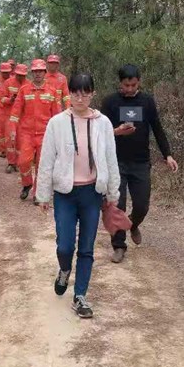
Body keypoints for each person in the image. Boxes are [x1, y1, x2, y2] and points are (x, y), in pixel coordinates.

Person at [36, 73, 120, 318]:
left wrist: (112, 191)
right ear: (69, 94)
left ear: (93, 94)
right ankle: (64, 270)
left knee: (86, 247)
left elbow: (111, 158)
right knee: (65, 245)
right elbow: (46, 160)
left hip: (92, 193)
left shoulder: (103, 123)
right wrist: (43, 194)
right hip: (65, 193)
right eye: (75, 93)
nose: (80, 98)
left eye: (85, 93)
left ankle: (80, 295)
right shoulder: (57, 123)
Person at [101, 64, 179, 263]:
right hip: (116, 162)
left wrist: (168, 155)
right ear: (120, 83)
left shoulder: (147, 102)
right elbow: (99, 132)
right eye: (126, 85)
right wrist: (117, 131)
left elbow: (157, 128)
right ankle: (119, 246)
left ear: (139, 82)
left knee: (142, 205)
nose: (129, 89)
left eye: (133, 85)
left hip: (141, 162)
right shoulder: (110, 102)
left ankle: (133, 224)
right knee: (117, 205)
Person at [10, 59, 60, 202]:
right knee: (23, 162)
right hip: (27, 133)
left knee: (42, 165)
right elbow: (15, 112)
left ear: (45, 72)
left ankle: (38, 193)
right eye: (35, 71)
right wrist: (13, 129)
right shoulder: (24, 90)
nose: (38, 74)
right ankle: (27, 183)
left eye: (40, 71)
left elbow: (56, 115)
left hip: (45, 134)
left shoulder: (52, 91)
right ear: (32, 73)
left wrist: (57, 134)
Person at [0, 63, 27, 173]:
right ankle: (11, 162)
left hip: (23, 118)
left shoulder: (28, 84)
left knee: (21, 140)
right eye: (18, 75)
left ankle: (19, 163)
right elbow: (1, 98)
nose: (20, 77)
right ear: (15, 73)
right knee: (10, 139)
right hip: (10, 116)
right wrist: (10, 100)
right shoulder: (8, 83)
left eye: (23, 75)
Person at [0, 62, 13, 157]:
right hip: (0, 110)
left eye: (7, 72)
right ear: (1, 72)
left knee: (10, 130)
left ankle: (10, 149)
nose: (6, 74)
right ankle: (2, 150)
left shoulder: (13, 81)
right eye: (4, 72)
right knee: (0, 130)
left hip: (11, 109)